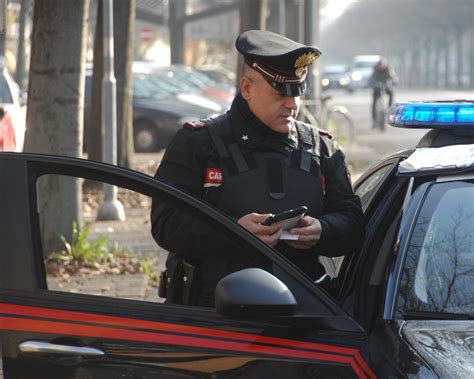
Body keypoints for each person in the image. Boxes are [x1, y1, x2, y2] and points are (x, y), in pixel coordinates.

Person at [151, 30, 364, 307]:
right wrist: (232, 232)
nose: (292, 104)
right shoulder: (197, 143)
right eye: (280, 94)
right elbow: (165, 223)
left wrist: (322, 230)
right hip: (211, 317)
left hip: (303, 318)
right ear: (247, 88)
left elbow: (353, 222)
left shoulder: (322, 148)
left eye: (298, 92)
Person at [370, 58, 397, 126]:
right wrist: (373, 83)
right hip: (377, 87)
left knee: (391, 92)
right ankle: (374, 119)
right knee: (374, 102)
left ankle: (390, 107)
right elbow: (372, 78)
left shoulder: (388, 69)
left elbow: (393, 77)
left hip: (386, 86)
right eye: (379, 66)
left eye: (382, 66)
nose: (380, 67)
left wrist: (393, 82)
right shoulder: (375, 70)